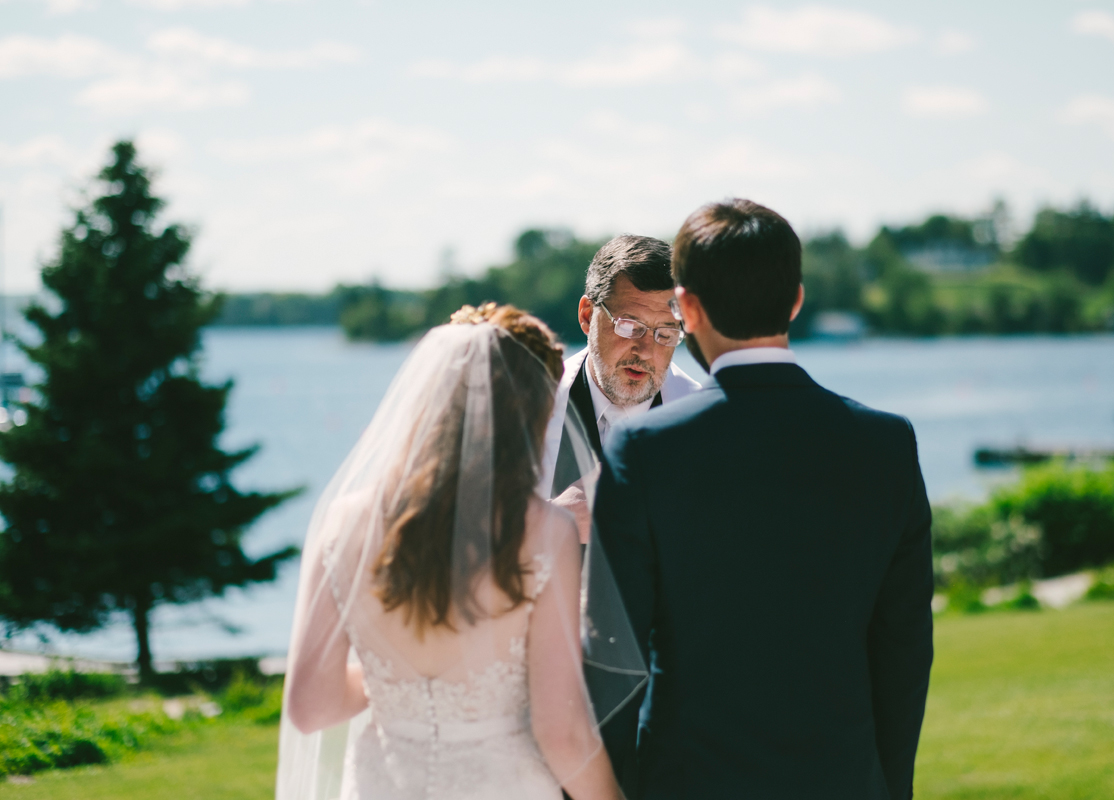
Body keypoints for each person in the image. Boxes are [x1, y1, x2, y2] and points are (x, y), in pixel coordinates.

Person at [588, 199, 935, 799]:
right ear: (796, 299)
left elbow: (612, 656)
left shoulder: (645, 451)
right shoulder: (886, 444)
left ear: (687, 309)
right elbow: (904, 652)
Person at [277, 303, 646, 800]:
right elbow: (561, 732)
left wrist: (399, 682)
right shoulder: (543, 532)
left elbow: (310, 706)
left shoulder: (347, 521)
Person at [540, 235, 700, 540]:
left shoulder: (706, 427)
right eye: (629, 325)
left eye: (666, 333)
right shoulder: (523, 410)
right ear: (587, 316)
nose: (645, 350)